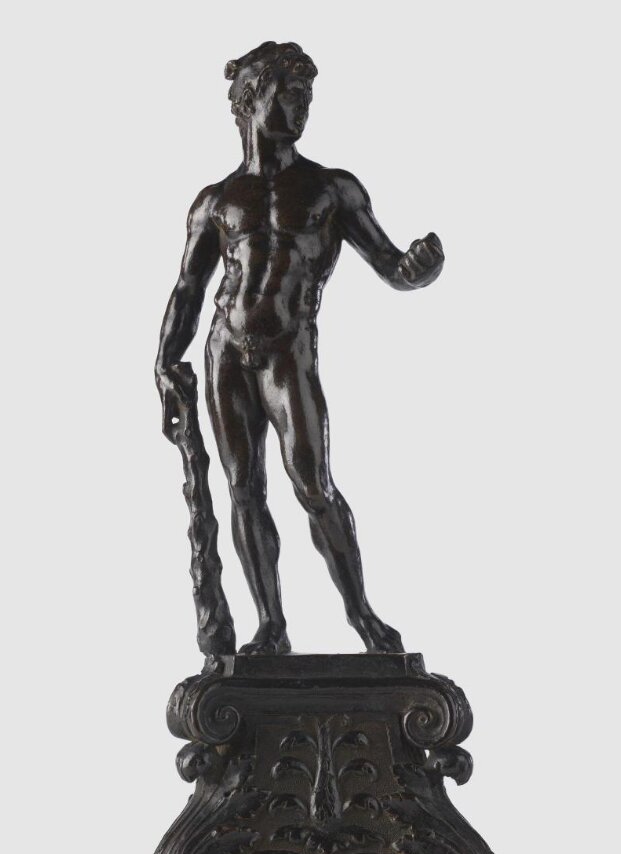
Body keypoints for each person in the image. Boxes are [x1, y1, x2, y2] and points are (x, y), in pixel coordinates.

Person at [155, 42, 444, 655]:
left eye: (308, 95)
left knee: (313, 485)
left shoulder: (331, 190)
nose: (302, 105)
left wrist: (417, 271)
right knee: (243, 489)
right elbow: (187, 289)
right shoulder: (216, 201)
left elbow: (389, 263)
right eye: (289, 94)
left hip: (288, 349)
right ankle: (272, 627)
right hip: (226, 351)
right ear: (251, 99)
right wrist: (163, 362)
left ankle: (363, 617)